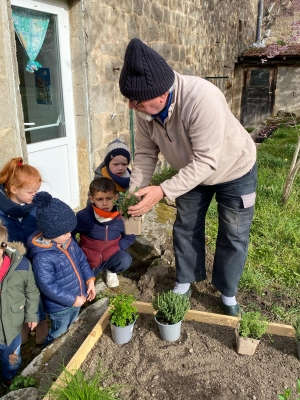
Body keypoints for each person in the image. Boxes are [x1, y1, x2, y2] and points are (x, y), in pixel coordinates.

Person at [118, 38, 257, 316]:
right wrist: (135, 192)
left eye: (137, 100)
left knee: (234, 233)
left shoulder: (201, 98)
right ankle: (184, 282)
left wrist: (162, 191)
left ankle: (227, 293)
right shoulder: (146, 112)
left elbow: (207, 160)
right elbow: (146, 154)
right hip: (191, 172)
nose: (132, 106)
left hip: (234, 168)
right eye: (129, 100)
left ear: (160, 93)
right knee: (186, 226)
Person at [27, 192, 96, 347]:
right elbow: (48, 287)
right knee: (59, 330)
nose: (69, 235)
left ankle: (66, 344)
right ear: (51, 232)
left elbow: (81, 260)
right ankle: (49, 350)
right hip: (60, 307)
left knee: (71, 324)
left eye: (70, 230)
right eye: (65, 232)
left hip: (78, 297)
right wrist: (72, 300)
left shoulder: (68, 242)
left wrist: (89, 280)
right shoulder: (42, 257)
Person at [0, 157, 48, 345]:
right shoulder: (1, 211)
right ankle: (21, 324)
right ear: (13, 190)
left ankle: (41, 320)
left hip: (35, 256)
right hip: (12, 261)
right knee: (17, 291)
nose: (35, 195)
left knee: (37, 287)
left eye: (37, 191)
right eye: (31, 192)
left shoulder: (35, 207)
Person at [74, 177, 136, 288]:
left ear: (116, 197)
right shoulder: (83, 216)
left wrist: (118, 247)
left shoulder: (122, 216)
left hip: (110, 256)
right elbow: (70, 233)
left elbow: (130, 236)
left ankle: (111, 271)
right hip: (89, 261)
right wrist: (77, 252)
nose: (105, 203)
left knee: (125, 259)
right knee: (80, 288)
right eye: (99, 199)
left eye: (109, 198)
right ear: (92, 199)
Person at [0, 221, 39, 388]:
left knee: (12, 360)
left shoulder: (21, 265)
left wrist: (31, 314)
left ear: (2, 246)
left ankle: (8, 379)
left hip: (12, 326)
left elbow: (31, 291)